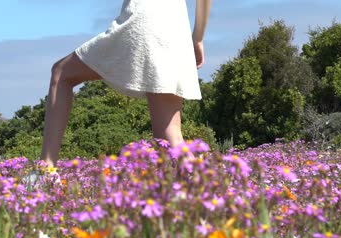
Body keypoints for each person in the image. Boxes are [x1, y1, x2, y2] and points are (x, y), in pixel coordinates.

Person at [40, 0, 212, 168]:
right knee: (170, 136)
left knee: (62, 73)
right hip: (176, 27)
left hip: (145, 21)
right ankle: (202, 190)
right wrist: (198, 38)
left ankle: (46, 170)